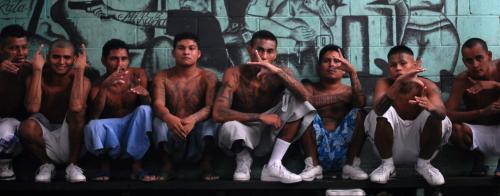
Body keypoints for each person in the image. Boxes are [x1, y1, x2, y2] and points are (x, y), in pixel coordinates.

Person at [212, 30, 316, 184]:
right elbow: (218, 113)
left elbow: (306, 97)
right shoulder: (234, 73)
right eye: (259, 50)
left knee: (300, 102)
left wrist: (278, 72)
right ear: (249, 49)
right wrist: (259, 117)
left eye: (269, 51)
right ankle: (243, 159)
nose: (264, 56)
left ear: (275, 54)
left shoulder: (281, 72)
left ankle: (274, 165)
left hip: (271, 132)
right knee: (228, 128)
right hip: (243, 131)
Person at [365, 45, 451, 185]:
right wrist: (399, 82)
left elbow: (442, 113)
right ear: (389, 69)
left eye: (403, 63)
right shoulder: (384, 83)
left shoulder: (428, 86)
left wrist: (432, 107)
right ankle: (388, 167)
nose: (398, 68)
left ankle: (423, 166)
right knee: (377, 113)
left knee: (436, 116)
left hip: (421, 148)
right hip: (390, 150)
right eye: (393, 65)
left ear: (415, 65)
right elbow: (379, 110)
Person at [18, 39, 91, 183]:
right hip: (44, 141)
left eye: (67, 57)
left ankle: (72, 166)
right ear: (48, 57)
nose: (61, 62)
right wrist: (37, 70)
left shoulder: (84, 80)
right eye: (56, 57)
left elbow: (76, 107)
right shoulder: (36, 77)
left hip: (71, 141)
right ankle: (46, 165)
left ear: (75, 59)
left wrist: (79, 71)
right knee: (26, 126)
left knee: (78, 112)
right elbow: (32, 107)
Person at [84, 39, 157, 182]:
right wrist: (104, 88)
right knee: (92, 126)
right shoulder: (98, 84)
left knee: (144, 110)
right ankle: (104, 165)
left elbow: (147, 107)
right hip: (112, 132)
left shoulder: (138, 75)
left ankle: (137, 165)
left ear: (128, 60)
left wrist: (146, 95)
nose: (119, 64)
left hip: (132, 128)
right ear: (104, 61)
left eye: (123, 59)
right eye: (114, 59)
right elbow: (94, 116)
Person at [152, 32, 219, 181]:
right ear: (173, 52)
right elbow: (157, 104)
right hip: (172, 130)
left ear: (198, 53)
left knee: (213, 121)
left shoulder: (209, 77)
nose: (186, 52)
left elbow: (210, 107)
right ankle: (167, 166)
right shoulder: (161, 76)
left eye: (191, 48)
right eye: (181, 48)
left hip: (197, 130)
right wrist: (169, 118)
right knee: (158, 122)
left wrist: (193, 119)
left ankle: (206, 166)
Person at [301, 44, 368, 180]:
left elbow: (361, 103)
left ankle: (352, 166)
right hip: (316, 149)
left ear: (344, 68)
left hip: (344, 150)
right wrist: (340, 97)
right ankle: (312, 166)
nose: (332, 65)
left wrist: (353, 73)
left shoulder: (350, 91)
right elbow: (307, 102)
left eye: (337, 61)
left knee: (360, 113)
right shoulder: (310, 87)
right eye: (326, 61)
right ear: (319, 67)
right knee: (304, 112)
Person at [446, 38, 500, 177]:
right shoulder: (462, 80)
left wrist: (495, 85)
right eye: (469, 61)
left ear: (489, 55)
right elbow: (448, 114)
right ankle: (479, 160)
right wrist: (481, 112)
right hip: (480, 134)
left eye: (479, 58)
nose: (475, 65)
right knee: (451, 129)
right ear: (464, 62)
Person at [0, 25, 31, 181]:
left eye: (24, 47)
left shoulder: (30, 69)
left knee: (6, 128)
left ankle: (4, 164)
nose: (20, 53)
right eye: (13, 48)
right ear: (2, 49)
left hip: (15, 131)